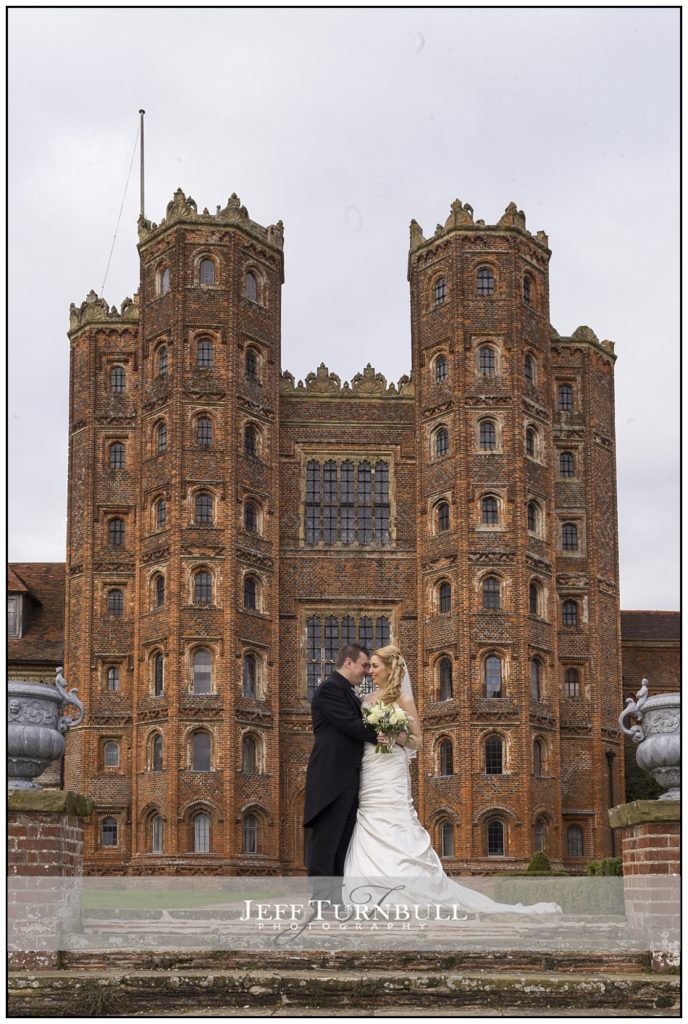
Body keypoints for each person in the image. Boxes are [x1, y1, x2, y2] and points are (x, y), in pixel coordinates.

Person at [343, 644, 561, 916]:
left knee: (396, 819)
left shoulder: (403, 700)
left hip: (391, 770)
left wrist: (394, 736)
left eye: (375, 666)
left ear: (390, 668)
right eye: (369, 666)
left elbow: (417, 741)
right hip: (370, 768)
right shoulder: (366, 700)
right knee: (370, 818)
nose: (370, 671)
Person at [303, 643, 381, 908]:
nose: (367, 671)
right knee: (326, 844)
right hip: (330, 778)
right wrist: (383, 734)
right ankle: (321, 903)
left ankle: (335, 902)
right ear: (348, 663)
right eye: (364, 665)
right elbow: (350, 725)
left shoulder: (346, 691)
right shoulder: (329, 689)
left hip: (347, 778)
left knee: (341, 843)